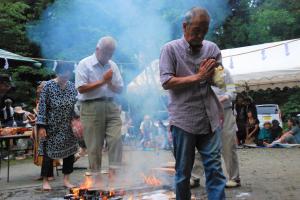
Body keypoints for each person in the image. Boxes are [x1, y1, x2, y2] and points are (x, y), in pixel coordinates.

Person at [159, 7, 226, 200]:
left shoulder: (212, 49)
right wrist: (198, 76)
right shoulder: (170, 49)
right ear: (184, 26)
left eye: (204, 31)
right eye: (196, 30)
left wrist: (216, 75)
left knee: (214, 169)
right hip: (183, 120)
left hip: (209, 118)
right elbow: (166, 82)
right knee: (183, 174)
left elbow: (217, 81)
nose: (200, 35)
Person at [75, 36, 123, 173]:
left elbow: (120, 89)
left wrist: (109, 83)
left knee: (116, 139)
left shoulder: (112, 65)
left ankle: (115, 175)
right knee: (95, 145)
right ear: (98, 49)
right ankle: (96, 179)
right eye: (106, 52)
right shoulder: (84, 64)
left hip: (111, 105)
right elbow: (81, 88)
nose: (108, 56)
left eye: (111, 53)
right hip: (91, 106)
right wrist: (102, 81)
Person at [37, 61, 78, 190]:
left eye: (68, 74)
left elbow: (76, 106)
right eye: (63, 73)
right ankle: (45, 181)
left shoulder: (72, 87)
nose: (66, 76)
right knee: (48, 154)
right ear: (58, 72)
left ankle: (66, 179)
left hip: (67, 125)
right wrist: (42, 126)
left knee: (69, 153)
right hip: (51, 125)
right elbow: (42, 107)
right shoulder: (48, 86)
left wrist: (77, 121)